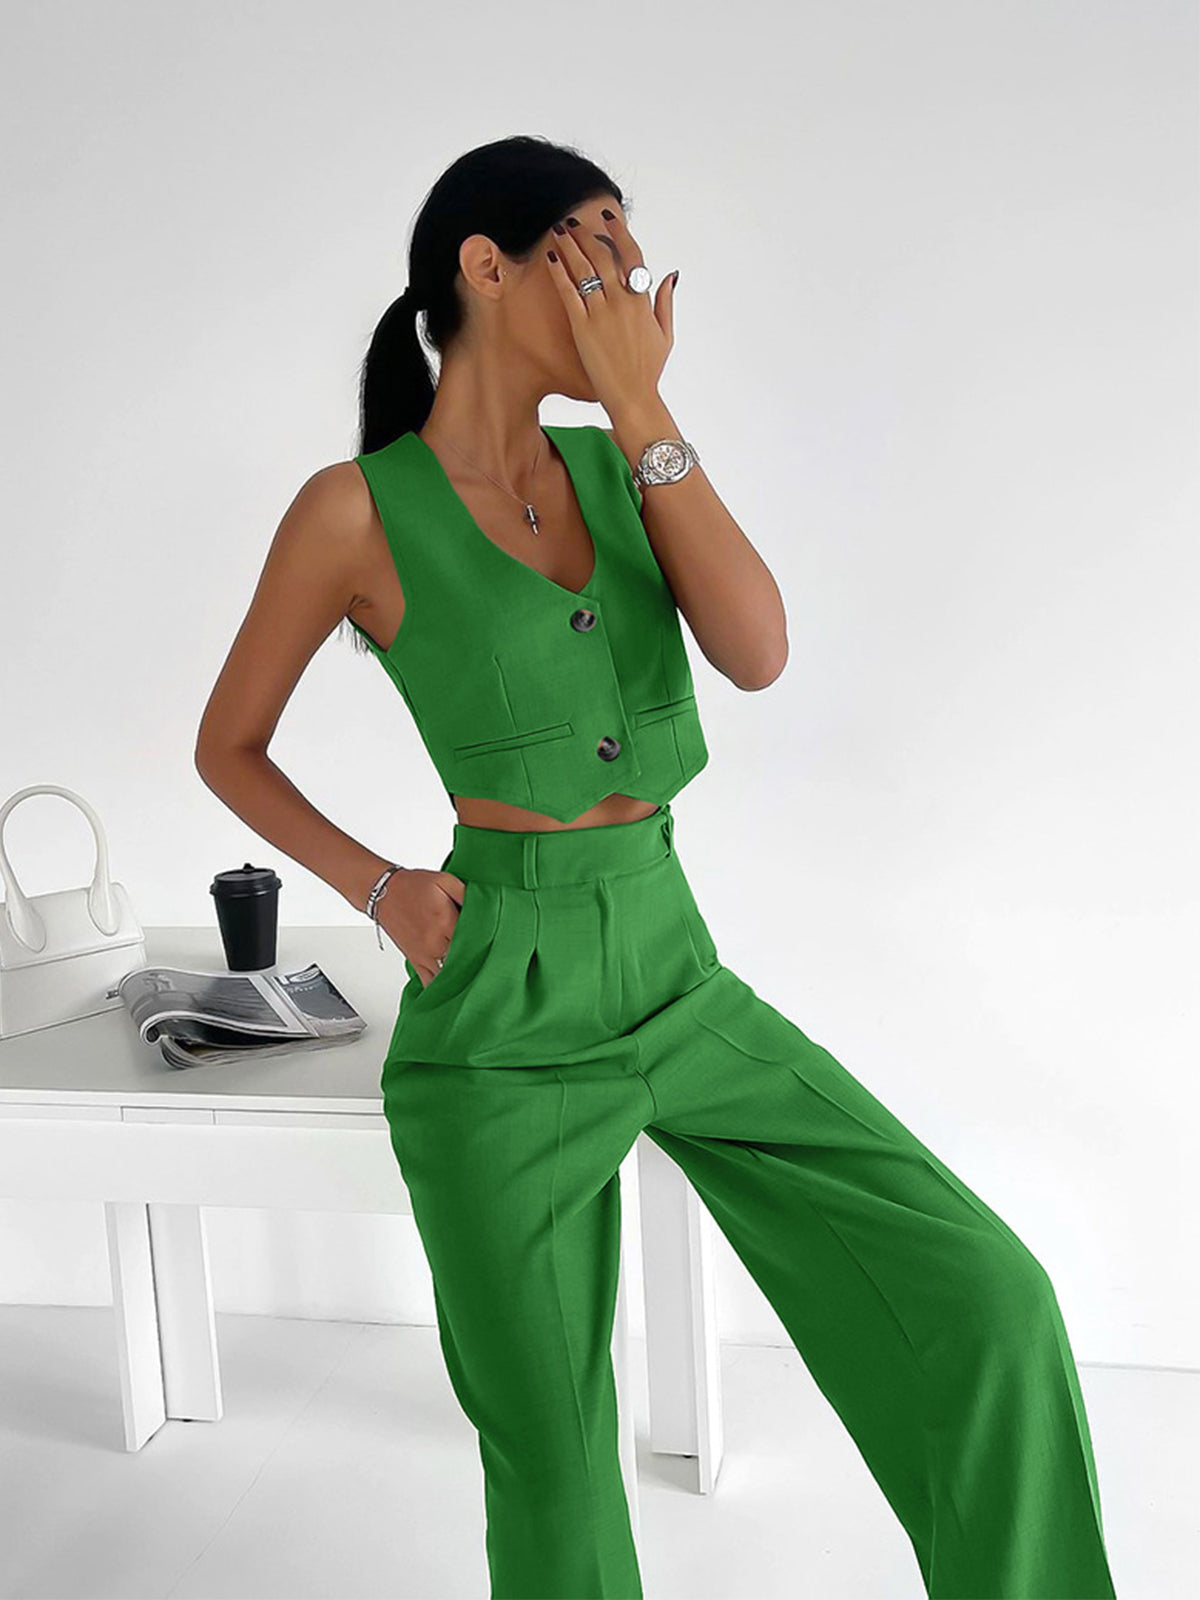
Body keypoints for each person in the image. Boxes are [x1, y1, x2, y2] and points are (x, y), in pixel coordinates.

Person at [194, 134, 1118, 1600]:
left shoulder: (624, 465)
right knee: (558, 1466)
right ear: (487, 269)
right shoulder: (355, 508)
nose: (631, 283)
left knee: (991, 1298)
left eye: (633, 252)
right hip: (499, 1021)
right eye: (598, 248)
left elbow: (757, 652)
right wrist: (378, 885)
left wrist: (644, 410)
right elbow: (229, 746)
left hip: (676, 975)